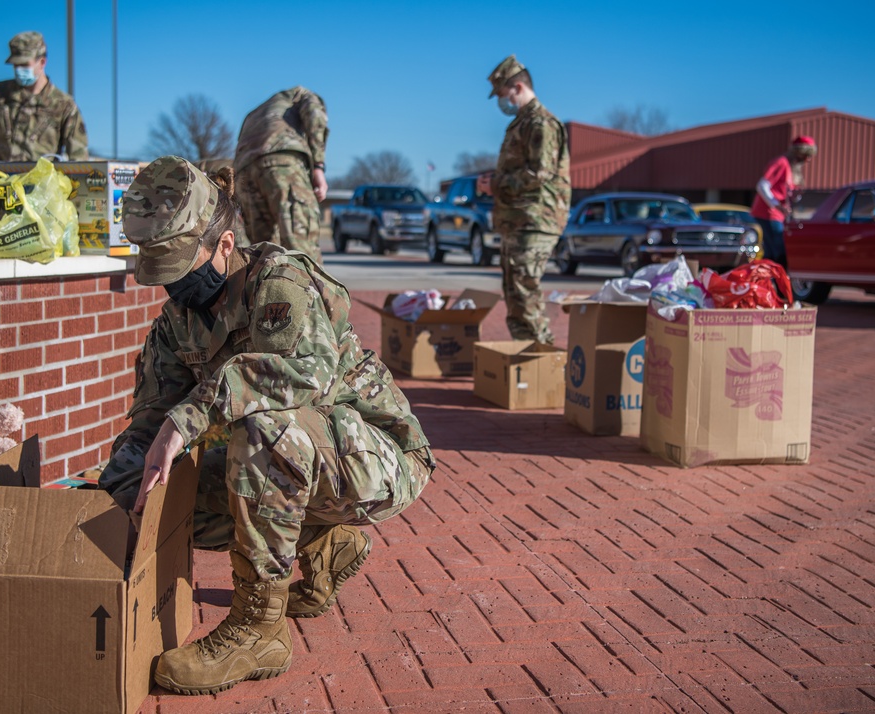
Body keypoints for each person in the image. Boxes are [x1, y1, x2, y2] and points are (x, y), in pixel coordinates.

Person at [99, 155, 434, 695]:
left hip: (379, 456)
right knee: (137, 482)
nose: (171, 286)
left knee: (263, 433)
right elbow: (150, 418)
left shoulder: (282, 282)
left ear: (224, 245)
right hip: (305, 464)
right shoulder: (175, 322)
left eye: (181, 266)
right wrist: (121, 481)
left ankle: (259, 629)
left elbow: (302, 376)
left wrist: (188, 419)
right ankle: (325, 544)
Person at [477, 55, 571, 345]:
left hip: (535, 219)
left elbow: (539, 173)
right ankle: (526, 363)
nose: (501, 102)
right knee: (515, 293)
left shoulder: (541, 123)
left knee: (524, 290)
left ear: (517, 87)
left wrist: (495, 184)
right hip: (518, 220)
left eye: (503, 95)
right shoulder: (523, 122)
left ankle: (543, 361)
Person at [233, 86, 329, 263]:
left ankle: (265, 290)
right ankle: (310, 290)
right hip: (282, 161)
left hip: (244, 171)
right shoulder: (301, 94)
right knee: (302, 250)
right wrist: (318, 166)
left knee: (263, 254)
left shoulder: (254, 114)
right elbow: (315, 115)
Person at [0, 31, 89, 162]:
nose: (19, 70)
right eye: (16, 65)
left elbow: (78, 155)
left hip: (41, 180)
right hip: (1, 178)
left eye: (25, 65)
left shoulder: (63, 105)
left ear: (42, 62)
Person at [750, 136, 817, 269]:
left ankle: (765, 283)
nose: (808, 160)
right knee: (779, 251)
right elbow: (762, 186)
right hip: (768, 214)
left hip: (779, 216)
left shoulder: (792, 169)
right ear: (799, 153)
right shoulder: (781, 163)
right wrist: (777, 206)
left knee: (771, 253)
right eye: (806, 156)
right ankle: (780, 285)